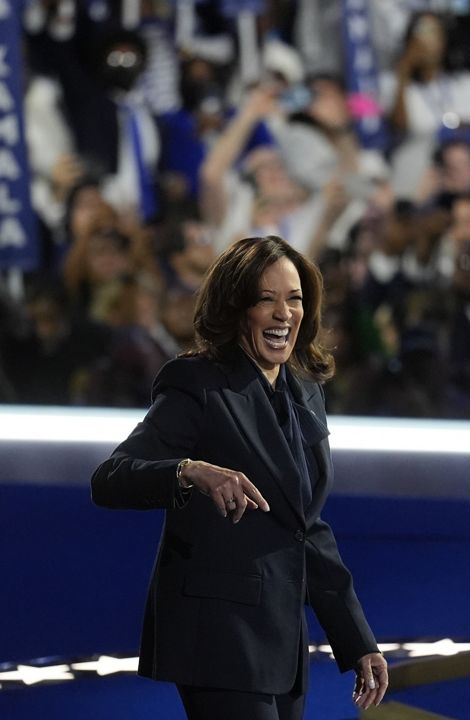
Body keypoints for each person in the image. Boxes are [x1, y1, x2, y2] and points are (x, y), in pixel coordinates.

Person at [91, 236, 388, 719]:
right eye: (265, 299)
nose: (283, 314)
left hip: (281, 642)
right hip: (217, 635)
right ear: (235, 308)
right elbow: (110, 479)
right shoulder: (199, 385)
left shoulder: (305, 392)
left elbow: (305, 526)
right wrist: (189, 472)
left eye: (293, 299)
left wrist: (356, 640)